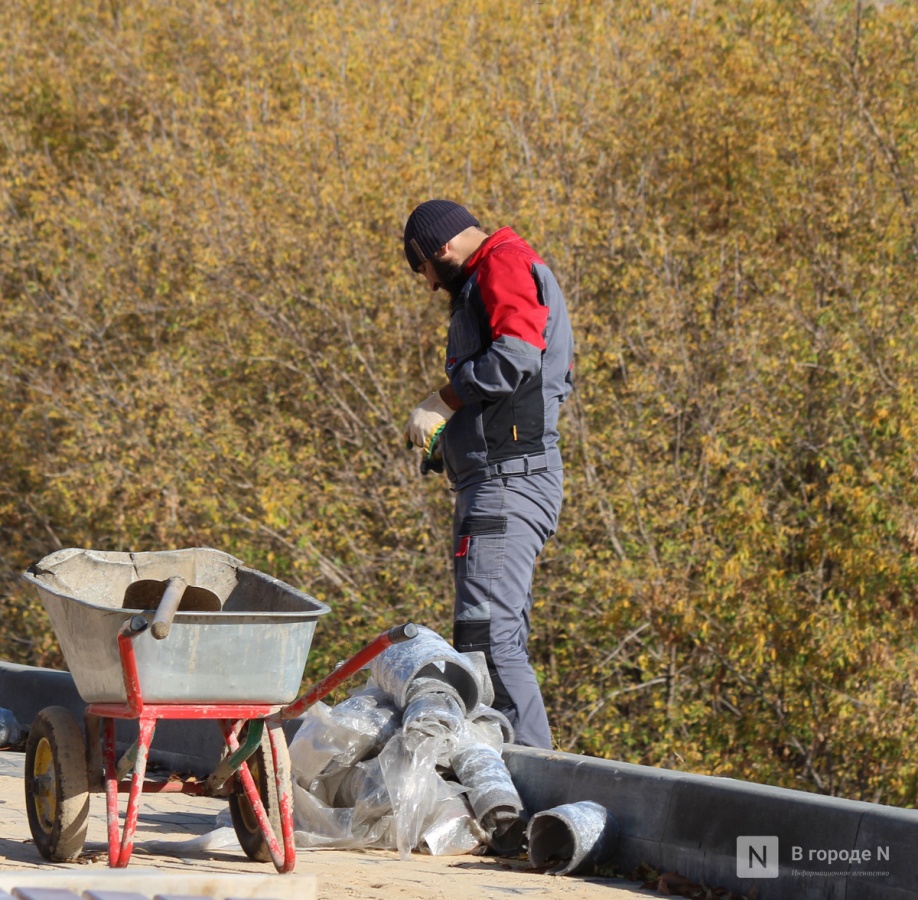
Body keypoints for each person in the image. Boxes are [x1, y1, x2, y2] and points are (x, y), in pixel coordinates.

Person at [402, 199, 574, 749]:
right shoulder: (497, 271)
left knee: (489, 644)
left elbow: (515, 358)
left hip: (508, 482)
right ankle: (513, 782)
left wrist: (444, 400)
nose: (429, 285)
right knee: (493, 641)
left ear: (442, 249)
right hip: (501, 477)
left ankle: (529, 788)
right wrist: (450, 444)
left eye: (423, 269)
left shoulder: (501, 264)